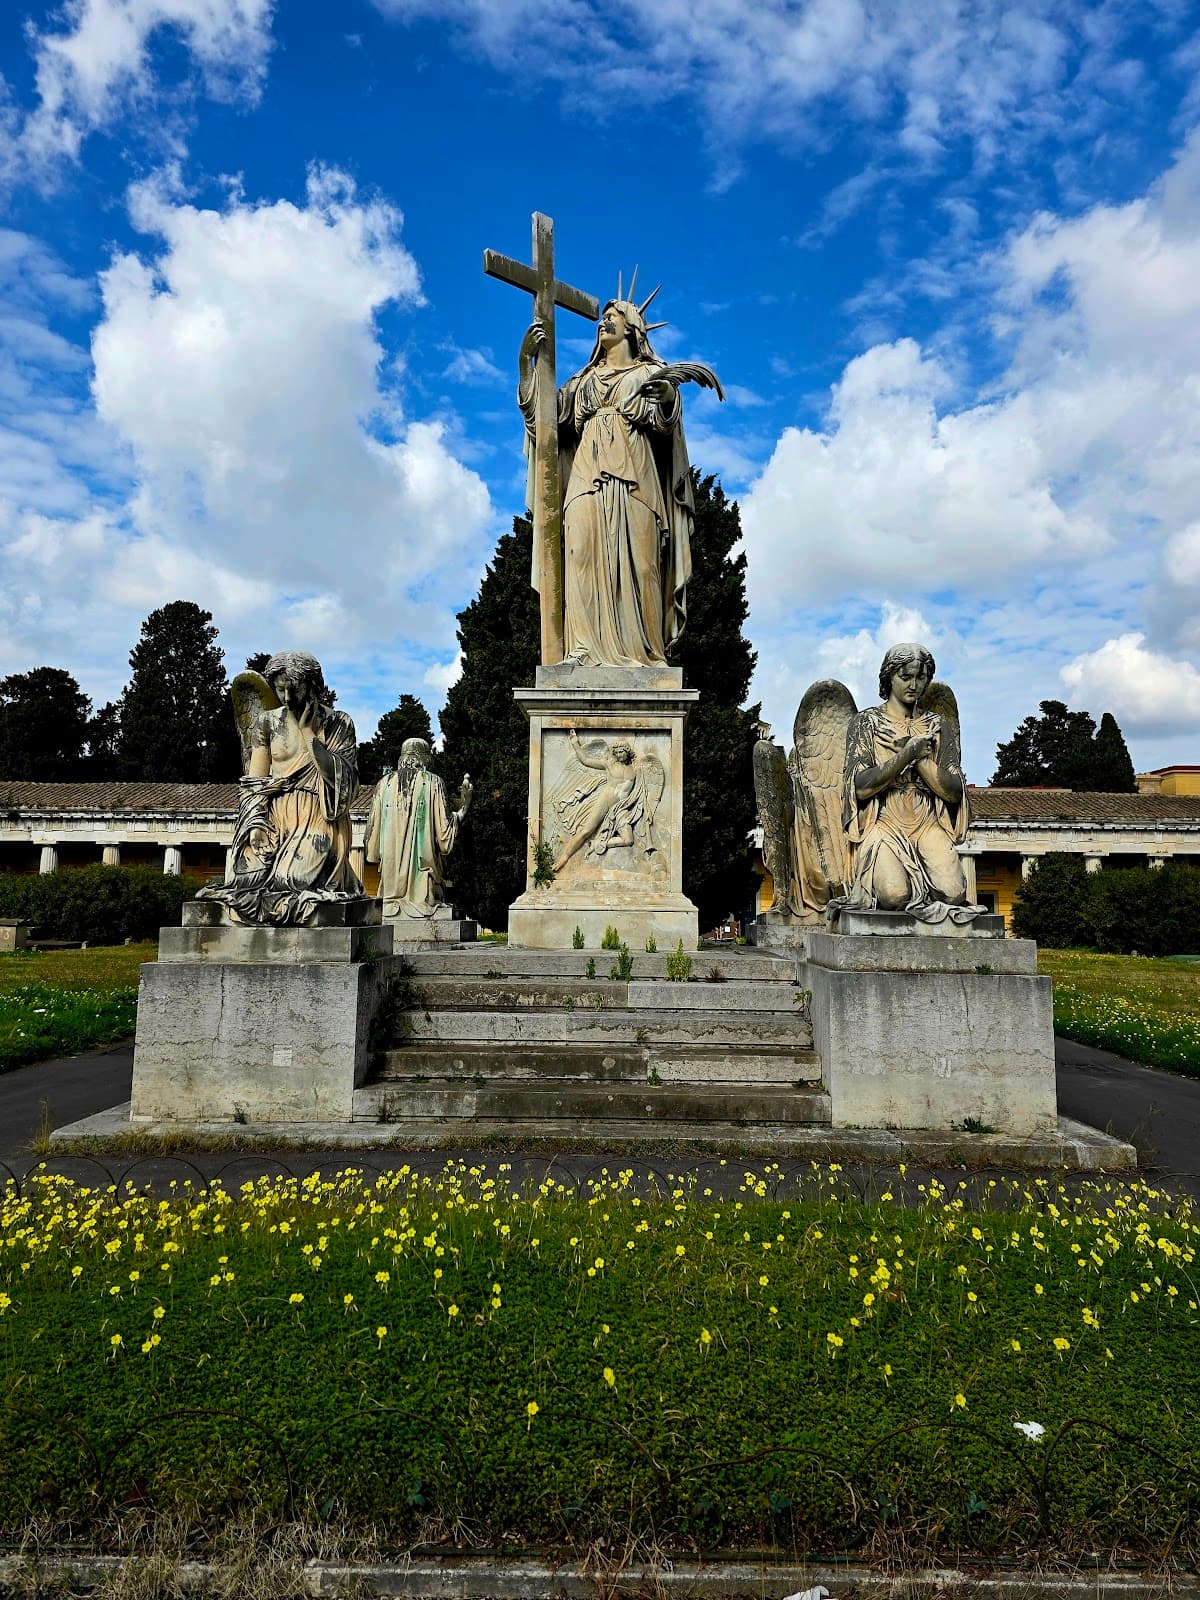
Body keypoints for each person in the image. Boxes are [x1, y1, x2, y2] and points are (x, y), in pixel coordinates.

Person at [518, 288, 717, 667]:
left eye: (614, 316)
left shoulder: (648, 373)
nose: (603, 321)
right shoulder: (583, 381)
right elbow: (544, 423)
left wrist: (668, 399)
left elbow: (667, 425)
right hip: (585, 480)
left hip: (636, 479)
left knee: (643, 565)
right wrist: (528, 362)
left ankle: (645, 653)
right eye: (602, 317)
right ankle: (582, 651)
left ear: (634, 329)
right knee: (579, 556)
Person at [199, 651, 362, 925]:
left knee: (293, 883)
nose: (286, 698)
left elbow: (343, 779)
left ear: (312, 685)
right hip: (274, 815)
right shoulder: (267, 722)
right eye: (279, 689)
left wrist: (309, 732)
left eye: (293, 689)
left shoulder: (339, 723)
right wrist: (255, 824)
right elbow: (255, 782)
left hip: (318, 815)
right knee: (245, 883)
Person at [841, 643, 975, 921]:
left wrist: (921, 761)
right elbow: (862, 787)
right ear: (888, 678)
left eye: (921, 677)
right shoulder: (867, 722)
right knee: (894, 896)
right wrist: (907, 754)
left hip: (927, 823)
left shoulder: (938, 726)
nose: (914, 685)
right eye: (905, 677)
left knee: (953, 894)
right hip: (885, 824)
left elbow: (953, 792)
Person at [365, 738, 471, 919]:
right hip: (423, 876)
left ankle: (393, 898)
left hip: (389, 878)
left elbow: (372, 832)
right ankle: (418, 897)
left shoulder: (383, 784)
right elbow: (444, 831)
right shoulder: (433, 782)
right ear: (425, 757)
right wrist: (464, 806)